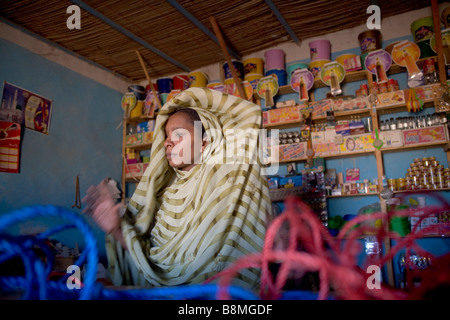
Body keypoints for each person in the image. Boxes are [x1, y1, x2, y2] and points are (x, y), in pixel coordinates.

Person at [83, 87, 272, 289]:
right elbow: (148, 264)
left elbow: (249, 113)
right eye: (166, 135)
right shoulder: (165, 196)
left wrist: (186, 98)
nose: (167, 142)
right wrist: (117, 229)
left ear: (204, 143)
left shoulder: (230, 181)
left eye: (178, 134)